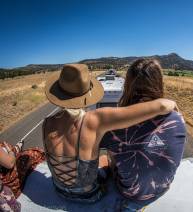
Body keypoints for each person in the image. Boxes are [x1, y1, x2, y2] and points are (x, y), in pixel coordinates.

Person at [42, 64, 177, 203]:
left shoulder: (47, 123)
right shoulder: (95, 119)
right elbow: (161, 106)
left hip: (59, 191)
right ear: (87, 92)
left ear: (59, 92)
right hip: (89, 196)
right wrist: (170, 103)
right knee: (107, 160)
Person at [101, 59, 186, 211]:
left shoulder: (115, 124)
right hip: (163, 187)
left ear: (128, 85)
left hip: (130, 193)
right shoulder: (178, 118)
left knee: (104, 157)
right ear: (158, 83)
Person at [0, 140, 45, 212]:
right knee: (34, 153)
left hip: (5, 175)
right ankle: (18, 147)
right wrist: (10, 151)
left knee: (16, 151)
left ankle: (18, 147)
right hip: (8, 180)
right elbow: (10, 163)